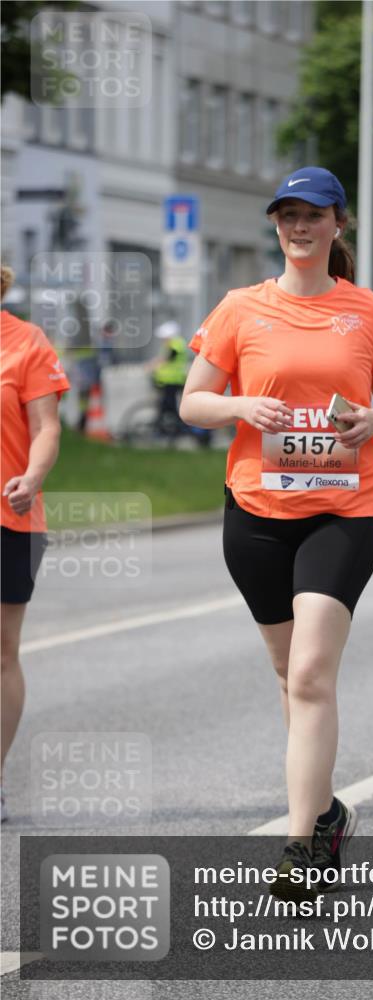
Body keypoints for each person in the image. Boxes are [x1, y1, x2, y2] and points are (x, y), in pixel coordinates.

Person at [179, 166, 373, 900]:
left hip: (344, 509)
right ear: (275, 226)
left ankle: (301, 846)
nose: (298, 227)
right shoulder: (239, 308)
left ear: (338, 223)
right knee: (288, 678)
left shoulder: (368, 311)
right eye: (286, 215)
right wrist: (243, 405)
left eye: (312, 214)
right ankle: (329, 810)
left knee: (310, 674)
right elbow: (192, 402)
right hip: (256, 512)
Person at [0, 265, 70, 822]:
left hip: (10, 516)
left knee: (2, 653)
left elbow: (47, 425)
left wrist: (34, 475)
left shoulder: (25, 342)